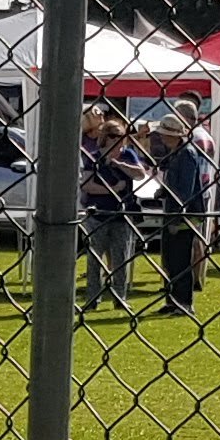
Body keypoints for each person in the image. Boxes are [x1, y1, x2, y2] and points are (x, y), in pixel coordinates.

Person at [146, 110, 211, 311]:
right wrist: (163, 192)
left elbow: (185, 191)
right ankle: (172, 300)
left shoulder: (187, 155)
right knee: (170, 259)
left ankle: (184, 301)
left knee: (180, 259)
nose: (162, 137)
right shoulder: (176, 153)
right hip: (173, 212)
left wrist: (175, 220)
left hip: (184, 215)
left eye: (164, 134)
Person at [78, 107, 139, 308]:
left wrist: (119, 164)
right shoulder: (94, 157)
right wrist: (111, 189)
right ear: (106, 137)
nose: (119, 140)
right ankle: (92, 298)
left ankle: (119, 298)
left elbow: (140, 174)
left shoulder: (128, 155)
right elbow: (86, 184)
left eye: (121, 136)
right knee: (94, 259)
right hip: (98, 214)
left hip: (121, 216)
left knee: (121, 259)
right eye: (114, 136)